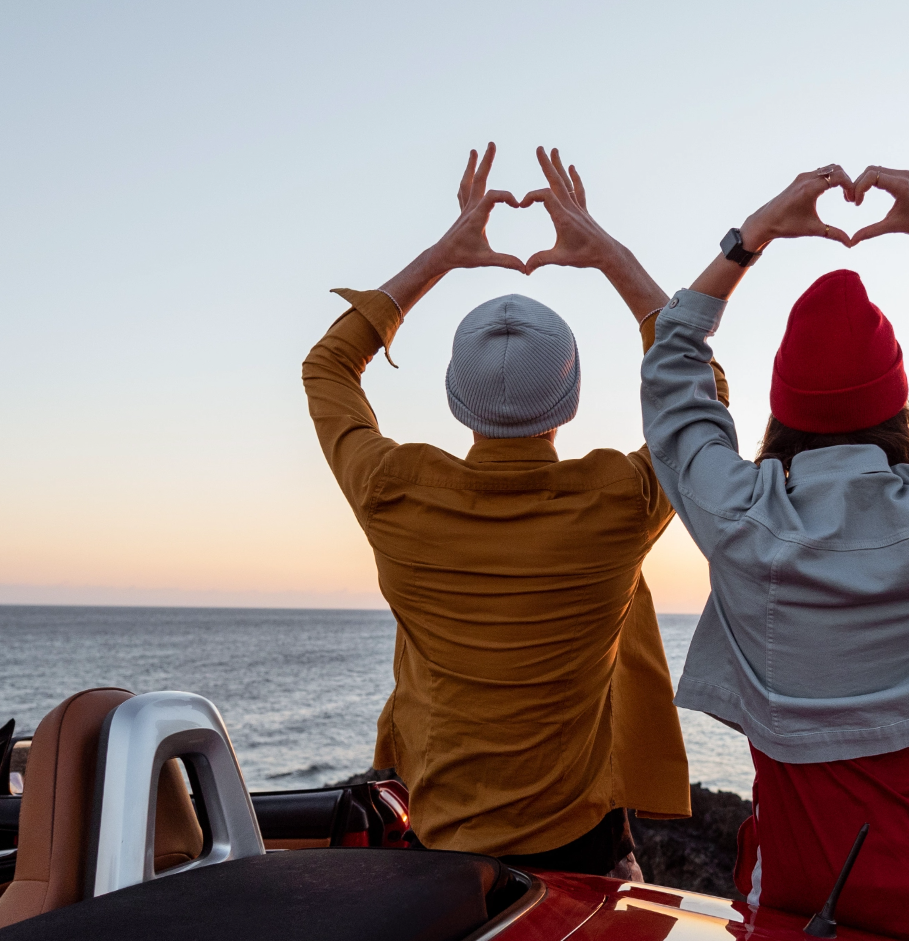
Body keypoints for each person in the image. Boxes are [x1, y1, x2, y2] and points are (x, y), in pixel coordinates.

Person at [639, 164, 909, 939]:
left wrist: (754, 237)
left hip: (810, 878)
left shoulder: (738, 518)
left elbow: (674, 362)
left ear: (782, 413)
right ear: (897, 408)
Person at [303, 142, 720, 877]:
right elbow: (700, 388)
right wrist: (608, 254)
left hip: (440, 843)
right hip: (583, 843)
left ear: (455, 398)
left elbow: (327, 366)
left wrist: (444, 253)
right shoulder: (620, 501)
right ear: (573, 400)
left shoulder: (392, 489)